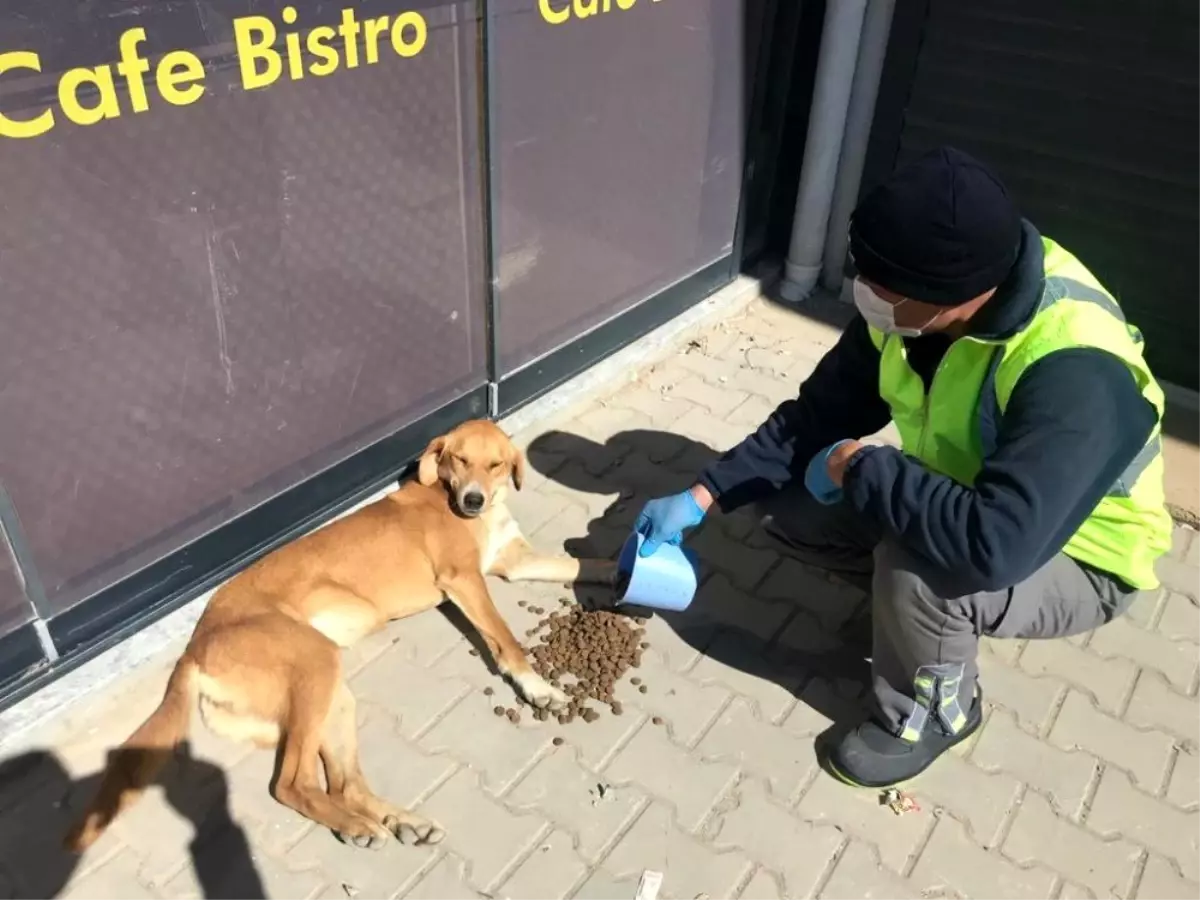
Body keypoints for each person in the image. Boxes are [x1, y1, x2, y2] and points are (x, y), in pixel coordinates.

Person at [634, 146, 1172, 788]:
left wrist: (862, 466)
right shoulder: (911, 304)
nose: (863, 293)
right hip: (975, 500)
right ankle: (910, 620)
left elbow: (993, 547)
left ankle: (937, 711)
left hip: (1077, 553)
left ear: (954, 297)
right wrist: (704, 494)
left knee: (920, 567)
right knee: (792, 513)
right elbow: (818, 414)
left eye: (878, 286)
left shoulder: (1076, 369)